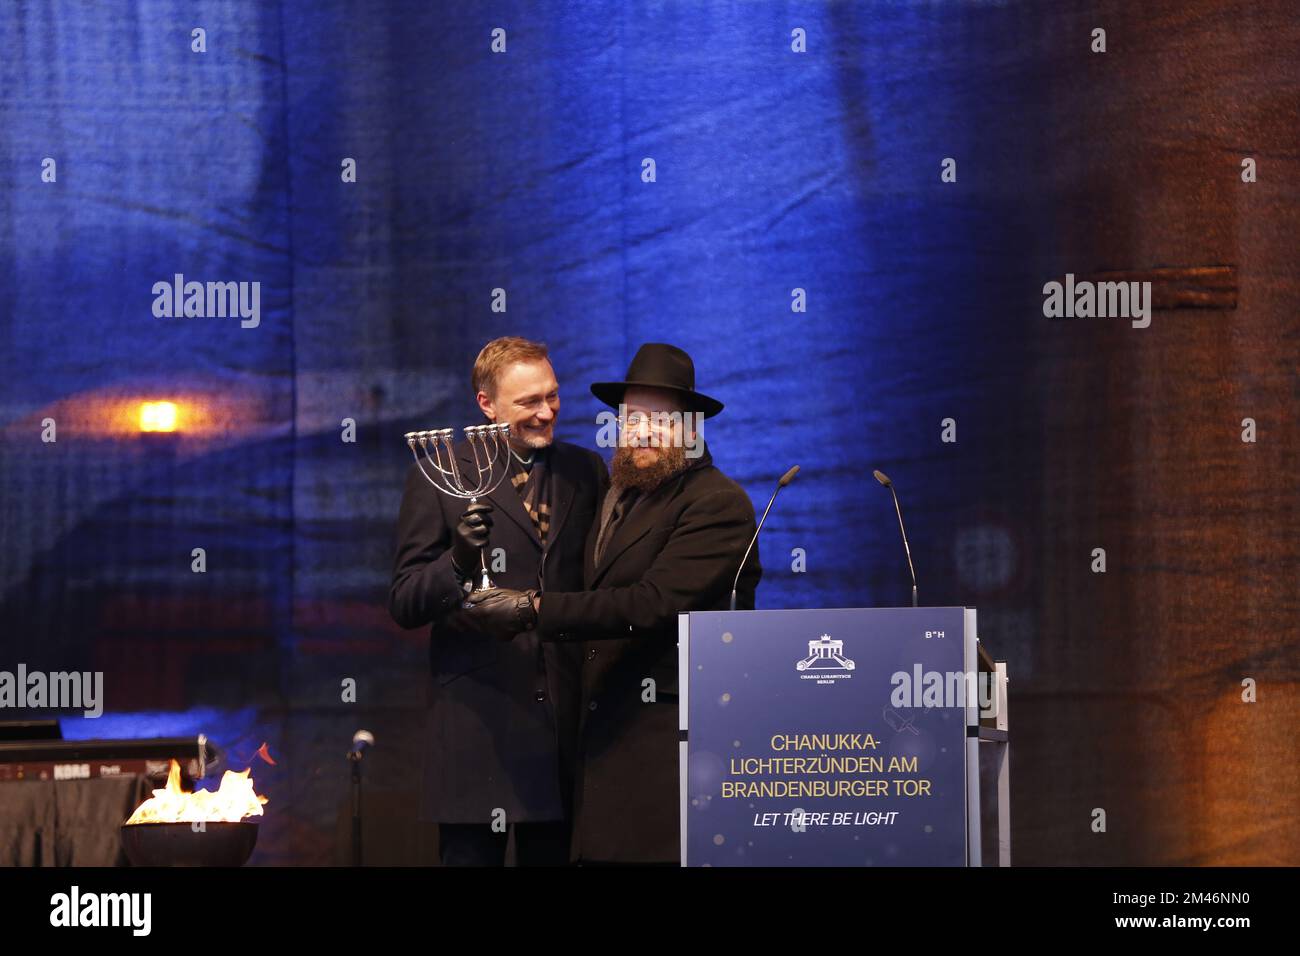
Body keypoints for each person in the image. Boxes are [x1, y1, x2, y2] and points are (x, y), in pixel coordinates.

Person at [467, 342, 760, 863]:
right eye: (633, 418)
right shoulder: (617, 493)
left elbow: (649, 604)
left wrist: (532, 608)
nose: (643, 431)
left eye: (661, 419)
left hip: (667, 756)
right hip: (596, 752)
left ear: (692, 429)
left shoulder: (718, 503)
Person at [389, 336, 607, 865]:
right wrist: (458, 562)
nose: (546, 412)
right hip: (476, 732)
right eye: (528, 402)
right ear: (486, 404)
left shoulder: (588, 471)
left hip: (561, 731)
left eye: (552, 396)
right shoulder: (441, 474)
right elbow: (404, 601)